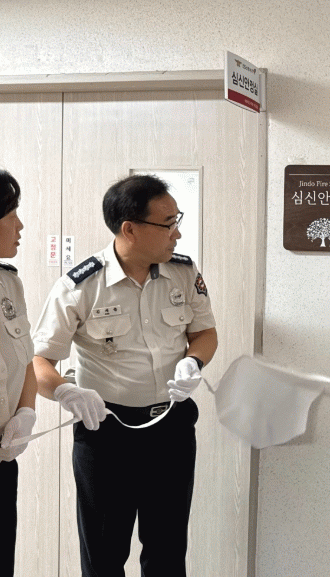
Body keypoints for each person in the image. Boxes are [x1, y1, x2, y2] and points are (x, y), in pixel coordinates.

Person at [32, 174, 217, 577]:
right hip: (106, 433)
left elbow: (205, 333)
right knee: (104, 553)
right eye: (167, 223)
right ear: (129, 229)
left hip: (170, 427)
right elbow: (40, 363)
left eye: (177, 220)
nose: (177, 233)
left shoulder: (183, 272)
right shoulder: (80, 286)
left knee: (168, 550)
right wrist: (65, 392)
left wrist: (194, 362)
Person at [0, 169, 38, 576]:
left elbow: (26, 358)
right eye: (11, 215)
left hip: (2, 459)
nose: (20, 225)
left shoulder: (9, 284)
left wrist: (26, 412)